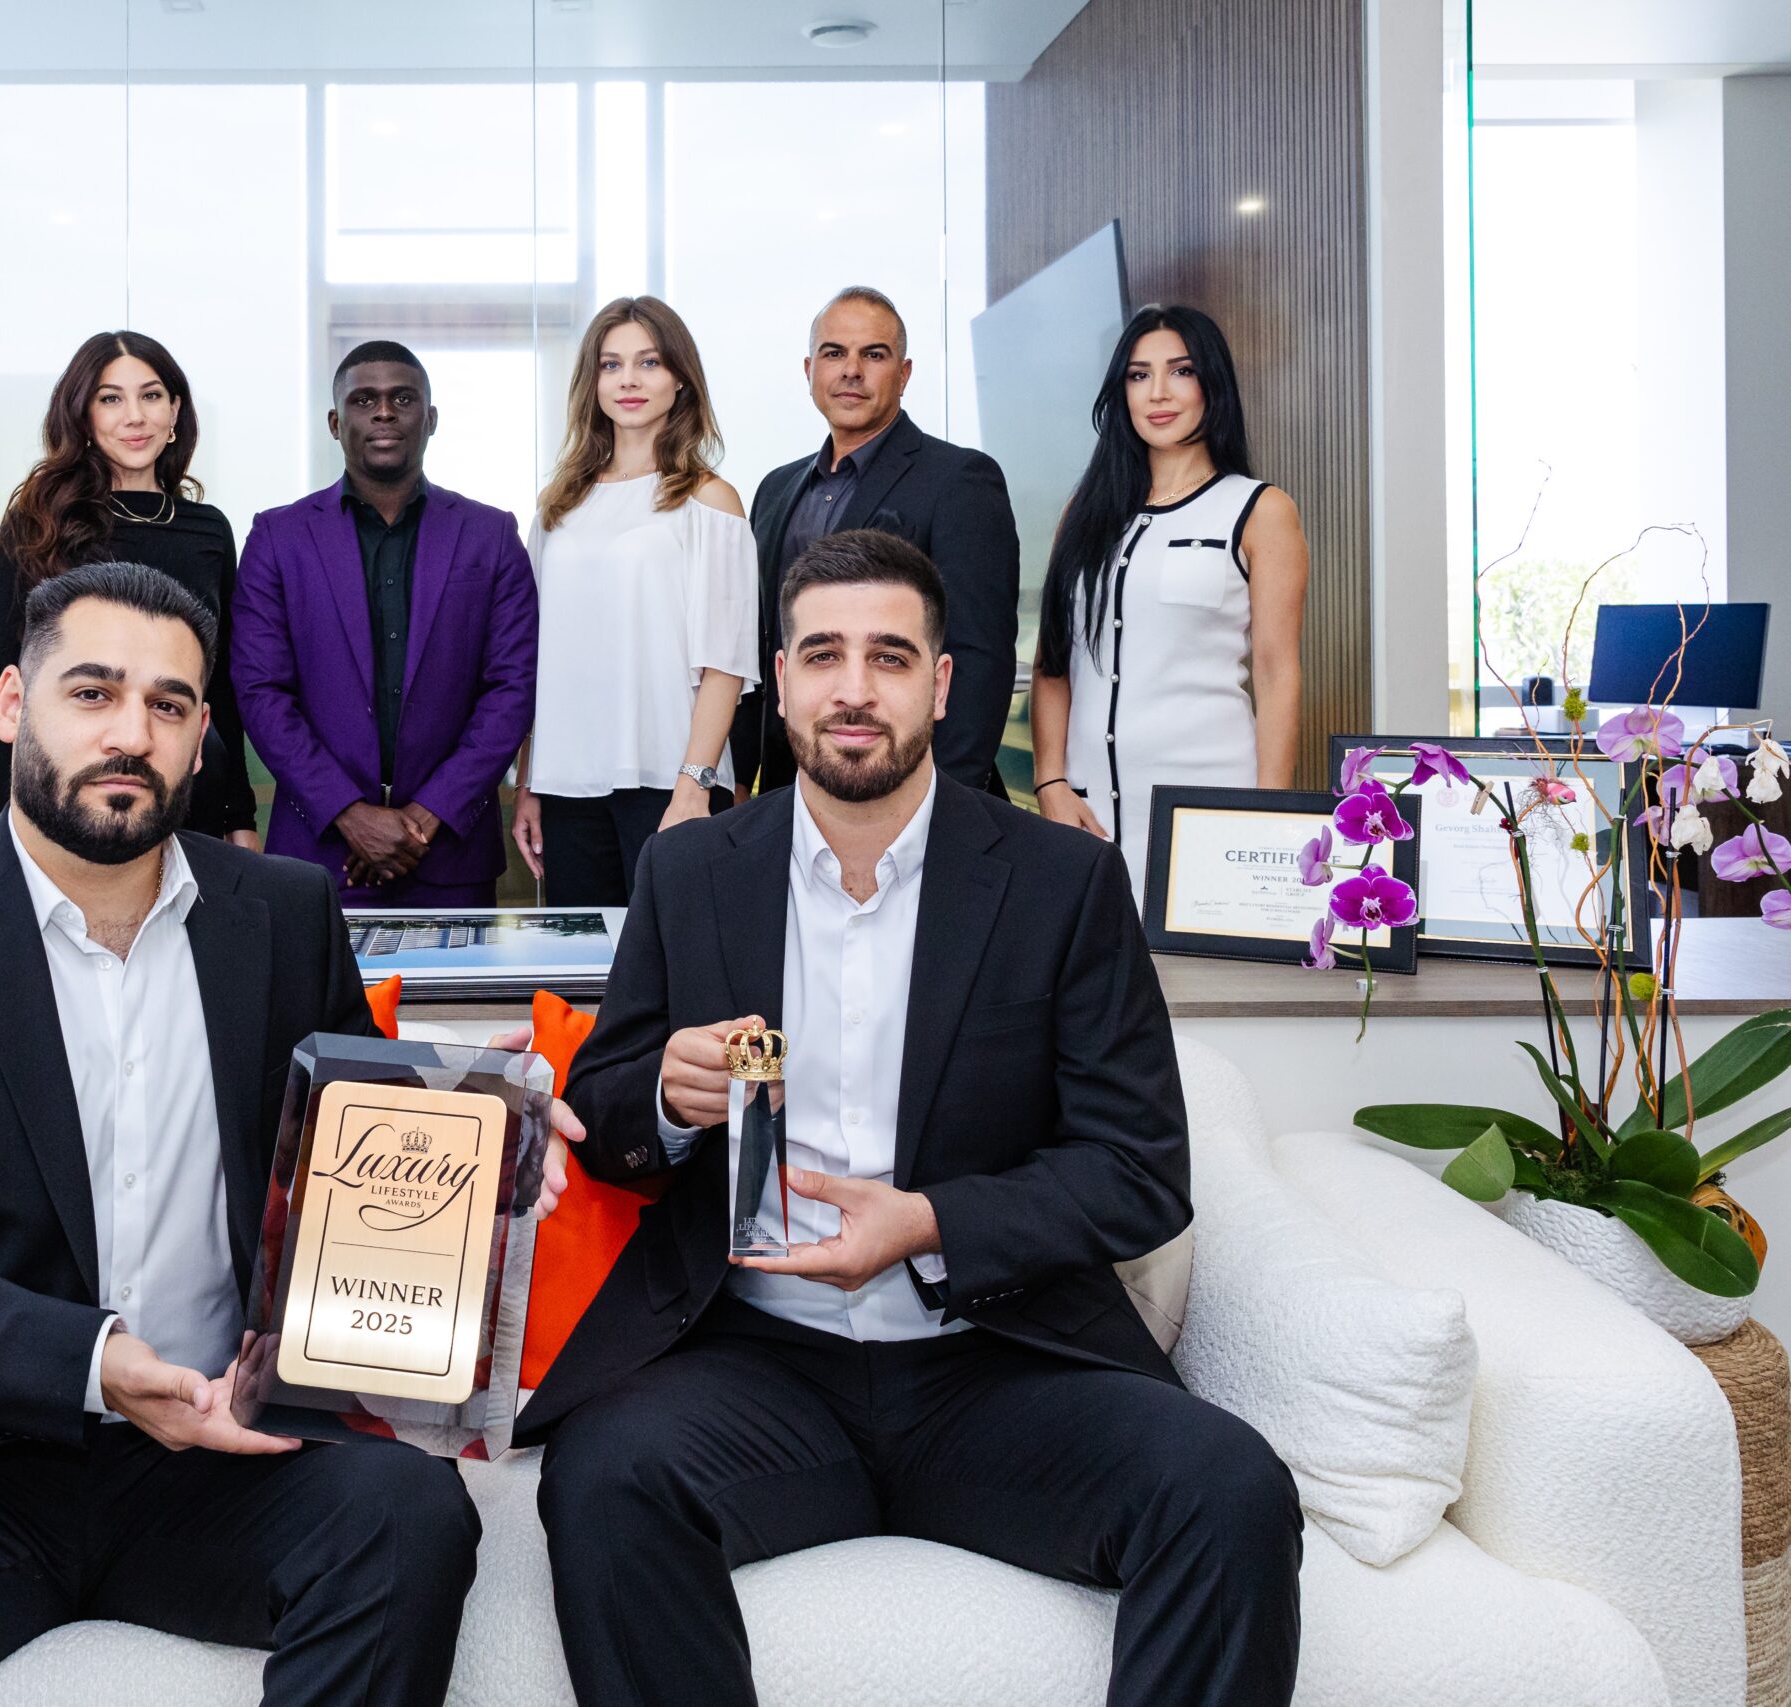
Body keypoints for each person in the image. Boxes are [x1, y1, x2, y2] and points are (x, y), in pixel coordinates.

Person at [0, 562, 580, 1707]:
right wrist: (86, 1365)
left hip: (225, 1447)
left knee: (407, 1521)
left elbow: (348, 1165)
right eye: (92, 692)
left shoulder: (286, 918)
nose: (130, 735)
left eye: (168, 705)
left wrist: (477, 1156)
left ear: (200, 741)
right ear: (12, 704)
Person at [521, 530, 1303, 1707]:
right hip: (752, 1365)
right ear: (778, 679)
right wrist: (669, 1102)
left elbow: (1138, 1172)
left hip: (998, 1364)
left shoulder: (1061, 883)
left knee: (1231, 1489)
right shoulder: (690, 873)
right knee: (601, 1479)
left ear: (939, 686)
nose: (853, 688)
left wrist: (929, 1221)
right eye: (822, 655)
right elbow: (603, 1106)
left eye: (888, 658)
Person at [232, 341, 538, 907]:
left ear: (431, 418)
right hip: (321, 858)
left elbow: (511, 689)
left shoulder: (490, 536)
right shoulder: (278, 538)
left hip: (450, 856)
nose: (383, 413)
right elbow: (261, 691)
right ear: (335, 423)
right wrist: (349, 814)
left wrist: (429, 815)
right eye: (363, 400)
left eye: (402, 398)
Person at [1029, 305, 1310, 900]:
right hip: (1086, 816)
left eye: (1181, 371)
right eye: (1138, 375)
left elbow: (1276, 672)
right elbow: (1054, 660)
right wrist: (1050, 781)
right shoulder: (1082, 514)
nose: (1158, 392)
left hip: (1209, 808)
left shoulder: (1259, 510)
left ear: (1212, 384)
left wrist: (1269, 815)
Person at [513, 296, 756, 907]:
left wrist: (695, 784)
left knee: (676, 958)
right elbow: (538, 657)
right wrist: (528, 781)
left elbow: (725, 661)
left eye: (649, 362)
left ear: (680, 379)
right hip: (567, 784)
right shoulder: (556, 508)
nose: (628, 380)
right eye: (611, 364)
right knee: (580, 962)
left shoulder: (710, 501)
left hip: (671, 779)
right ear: (592, 382)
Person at [731, 286, 1018, 799]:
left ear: (903, 374)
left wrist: (946, 804)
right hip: (789, 788)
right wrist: (739, 779)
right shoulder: (776, 490)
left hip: (909, 784)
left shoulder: (960, 480)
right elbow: (761, 647)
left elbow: (979, 657)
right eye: (833, 353)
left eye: (874, 355)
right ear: (809, 371)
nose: (851, 370)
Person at [0, 330, 260, 849]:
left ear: (175, 410)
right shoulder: (37, 526)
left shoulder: (208, 530)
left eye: (151, 396)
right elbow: (6, 681)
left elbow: (220, 688)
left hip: (192, 787)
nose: (135, 416)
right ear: (83, 415)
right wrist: (5, 830)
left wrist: (240, 817)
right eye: (110, 399)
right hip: (76, 793)